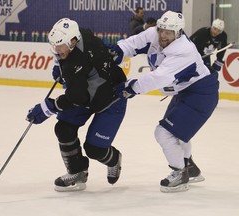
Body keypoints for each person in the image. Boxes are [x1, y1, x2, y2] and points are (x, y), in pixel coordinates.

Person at [110, 11, 219, 193]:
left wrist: (130, 87)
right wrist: (118, 51)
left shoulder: (184, 51)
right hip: (185, 92)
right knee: (177, 133)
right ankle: (189, 168)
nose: (162, 35)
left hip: (201, 94)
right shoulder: (155, 33)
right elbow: (134, 43)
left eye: (168, 33)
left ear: (178, 33)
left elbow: (159, 78)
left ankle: (179, 173)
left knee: (164, 133)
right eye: (161, 30)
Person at [26, 18, 127, 192]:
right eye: (54, 46)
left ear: (73, 41)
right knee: (64, 128)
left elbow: (76, 97)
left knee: (94, 149)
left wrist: (48, 107)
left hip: (111, 98)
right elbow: (80, 82)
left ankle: (114, 158)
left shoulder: (75, 61)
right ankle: (77, 171)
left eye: (60, 46)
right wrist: (61, 64)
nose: (56, 50)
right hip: (88, 93)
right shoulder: (81, 34)